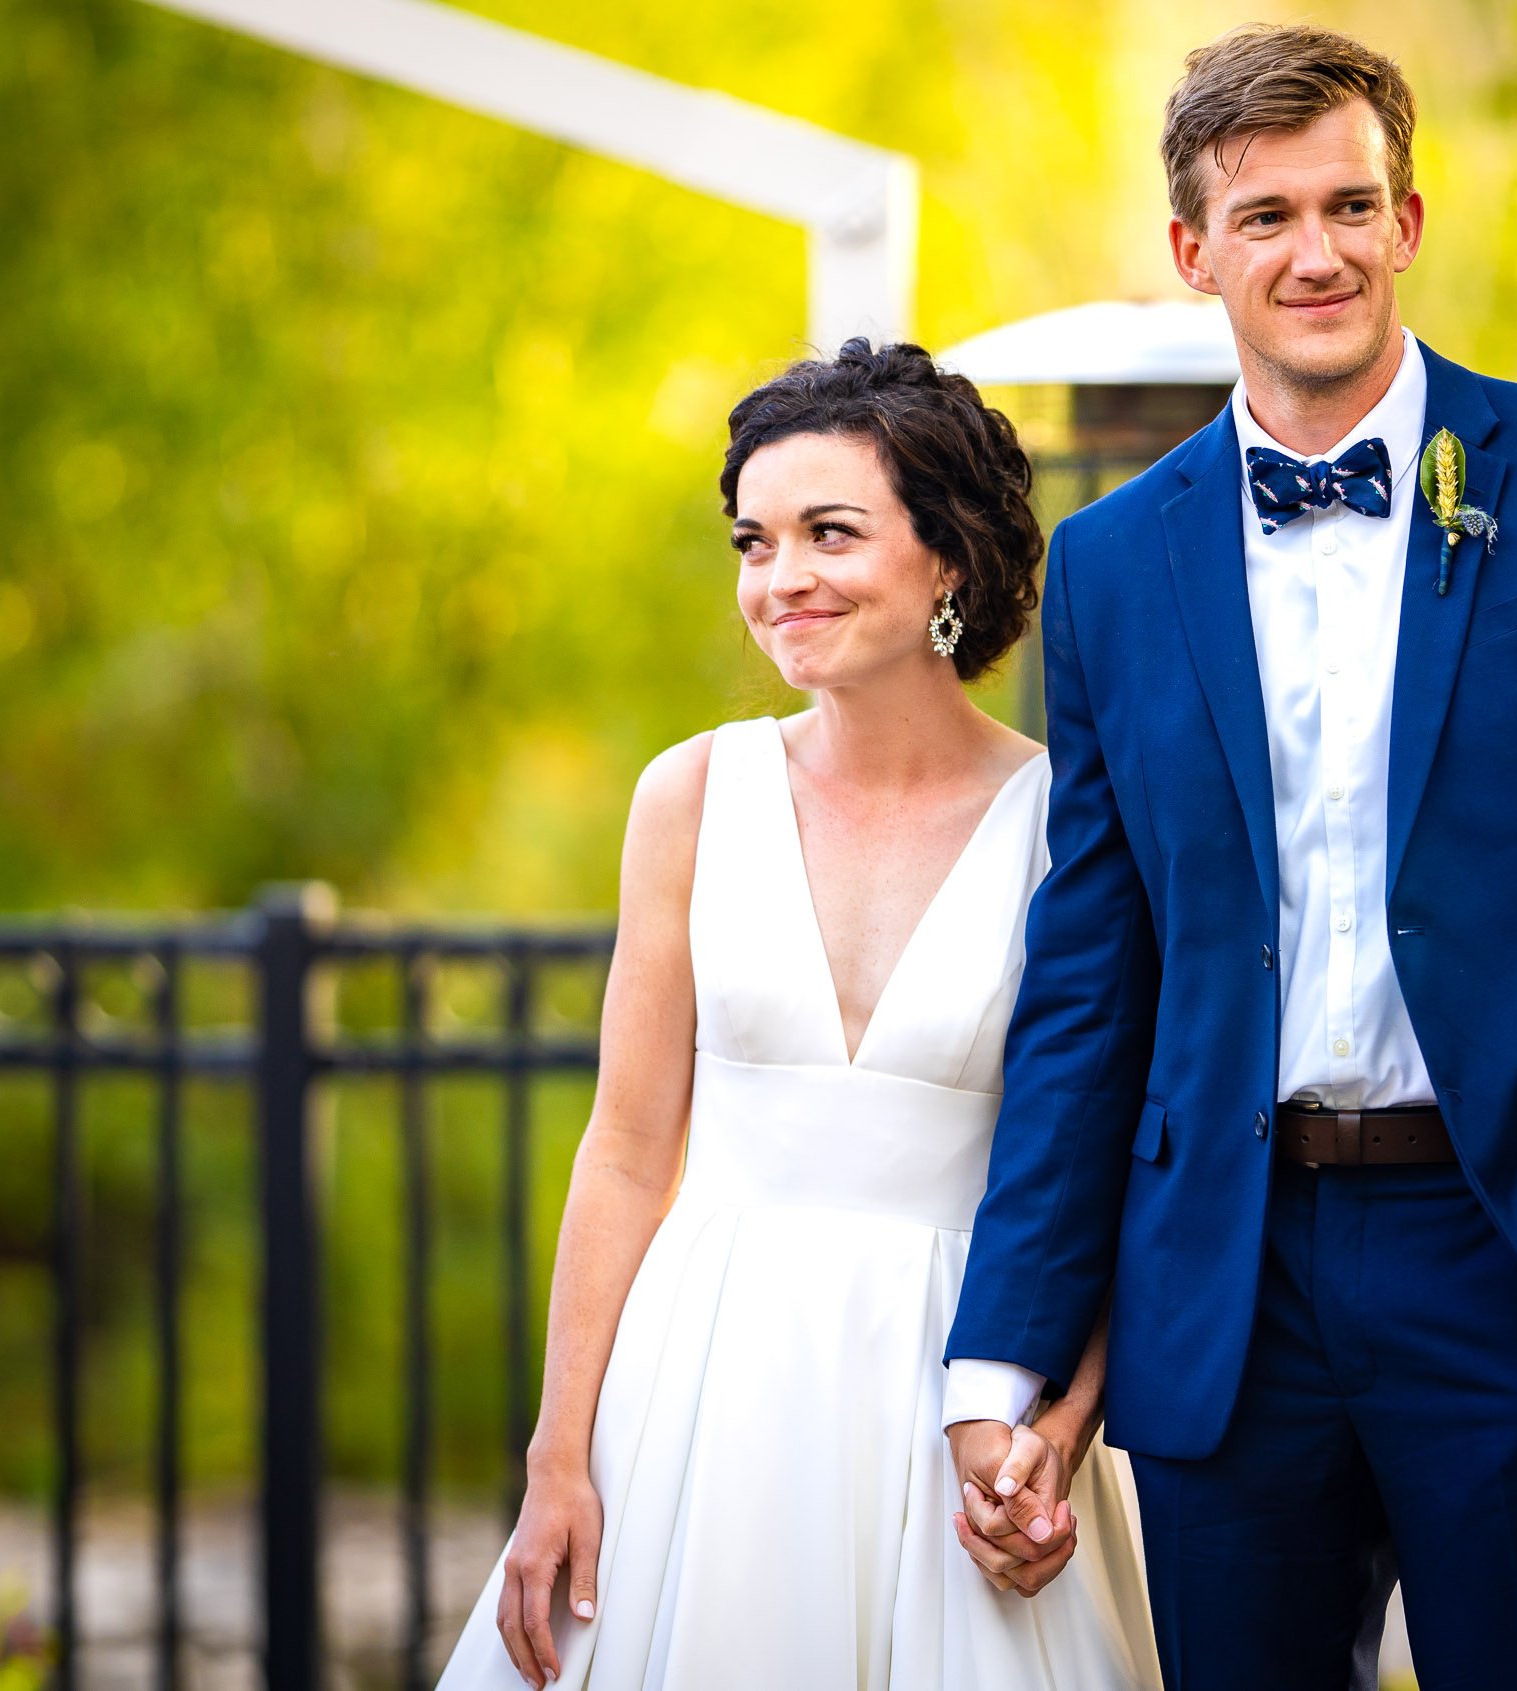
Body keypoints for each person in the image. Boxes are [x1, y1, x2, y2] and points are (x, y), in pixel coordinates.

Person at [943, 23, 1517, 1691]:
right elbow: (1090, 982)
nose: (1315, 253)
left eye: (1349, 205)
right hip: (1227, 1291)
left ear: (1409, 219)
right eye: (1264, 218)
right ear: (1193, 250)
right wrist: (1006, 1348)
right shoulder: (1114, 568)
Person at [432, 339, 1160, 1691]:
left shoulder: (1075, 822)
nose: (781, 581)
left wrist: (1059, 1425)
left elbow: (1112, 1162)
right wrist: (558, 1455)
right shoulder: (689, 797)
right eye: (754, 543)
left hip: (961, 1386)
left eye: (831, 533)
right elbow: (629, 1147)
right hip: (707, 1387)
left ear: (950, 557)